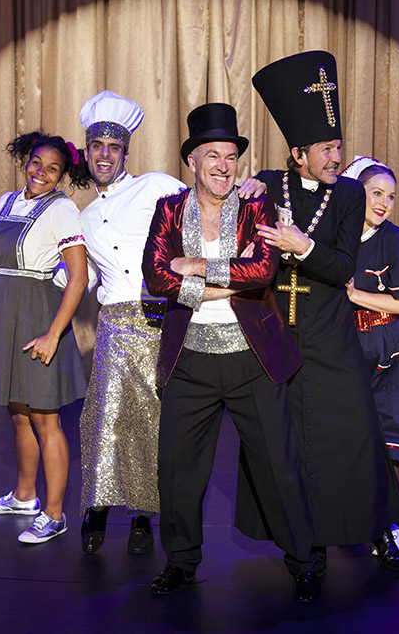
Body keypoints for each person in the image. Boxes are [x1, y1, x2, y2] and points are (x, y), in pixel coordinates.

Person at [142, 103, 320, 602]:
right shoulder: (169, 209)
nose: (224, 165)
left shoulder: (257, 207)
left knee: (278, 466)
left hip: (252, 359)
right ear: (193, 161)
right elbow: (156, 277)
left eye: (231, 156)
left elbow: (261, 272)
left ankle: (305, 560)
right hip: (189, 362)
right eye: (212, 155)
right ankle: (179, 561)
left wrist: (192, 267)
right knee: (177, 470)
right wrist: (218, 271)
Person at [76, 91, 266, 555]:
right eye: (96, 146)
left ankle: (144, 516)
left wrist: (255, 183)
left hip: (163, 319)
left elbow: (212, 193)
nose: (105, 154)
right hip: (114, 325)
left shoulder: (156, 187)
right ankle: (97, 510)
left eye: (114, 147)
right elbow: (74, 275)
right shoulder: (80, 215)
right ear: (85, 152)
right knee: (104, 420)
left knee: (155, 425)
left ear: (125, 152)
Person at [250, 51, 399, 571]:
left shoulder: (346, 196)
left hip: (331, 331)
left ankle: (383, 528)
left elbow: (343, 267)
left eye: (338, 145)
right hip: (281, 333)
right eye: (325, 147)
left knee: (355, 433)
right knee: (291, 441)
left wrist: (301, 246)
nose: (336, 155)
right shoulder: (271, 185)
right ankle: (307, 547)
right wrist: (247, 188)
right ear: (299, 152)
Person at [0, 131, 89, 544]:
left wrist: (53, 335)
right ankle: (24, 497)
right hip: (7, 313)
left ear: (62, 177)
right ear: (27, 160)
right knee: (18, 412)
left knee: (46, 418)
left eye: (52, 169)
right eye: (37, 163)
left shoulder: (61, 209)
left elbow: (78, 277)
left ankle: (55, 514)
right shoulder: (7, 201)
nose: (41, 172)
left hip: (40, 314)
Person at [341, 155, 399, 551]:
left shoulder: (394, 238)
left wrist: (355, 294)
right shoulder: (341, 238)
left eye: (391, 196)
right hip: (351, 350)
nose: (383, 202)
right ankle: (355, 518)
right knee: (352, 445)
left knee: (388, 446)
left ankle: (392, 525)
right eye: (376, 193)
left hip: (394, 350)